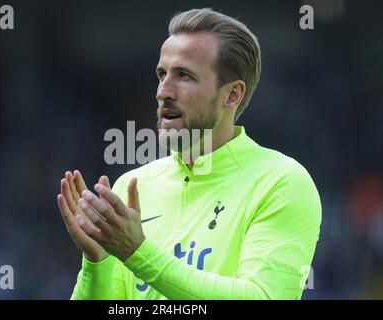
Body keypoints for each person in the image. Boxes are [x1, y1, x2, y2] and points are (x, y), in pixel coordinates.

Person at [57, 8, 321, 300]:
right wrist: (97, 263)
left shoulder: (281, 181)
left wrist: (137, 252)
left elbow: (263, 297)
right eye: (162, 74)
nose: (163, 91)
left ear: (232, 95)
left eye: (184, 75)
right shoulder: (131, 189)